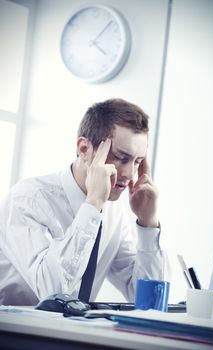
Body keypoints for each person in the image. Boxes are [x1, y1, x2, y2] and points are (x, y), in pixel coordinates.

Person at [0, 98, 169, 306]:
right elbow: (53, 294)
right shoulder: (26, 200)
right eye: (120, 157)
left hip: (71, 336)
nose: (129, 174)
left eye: (137, 161)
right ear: (84, 149)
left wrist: (148, 223)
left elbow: (150, 302)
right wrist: (93, 204)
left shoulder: (114, 213)